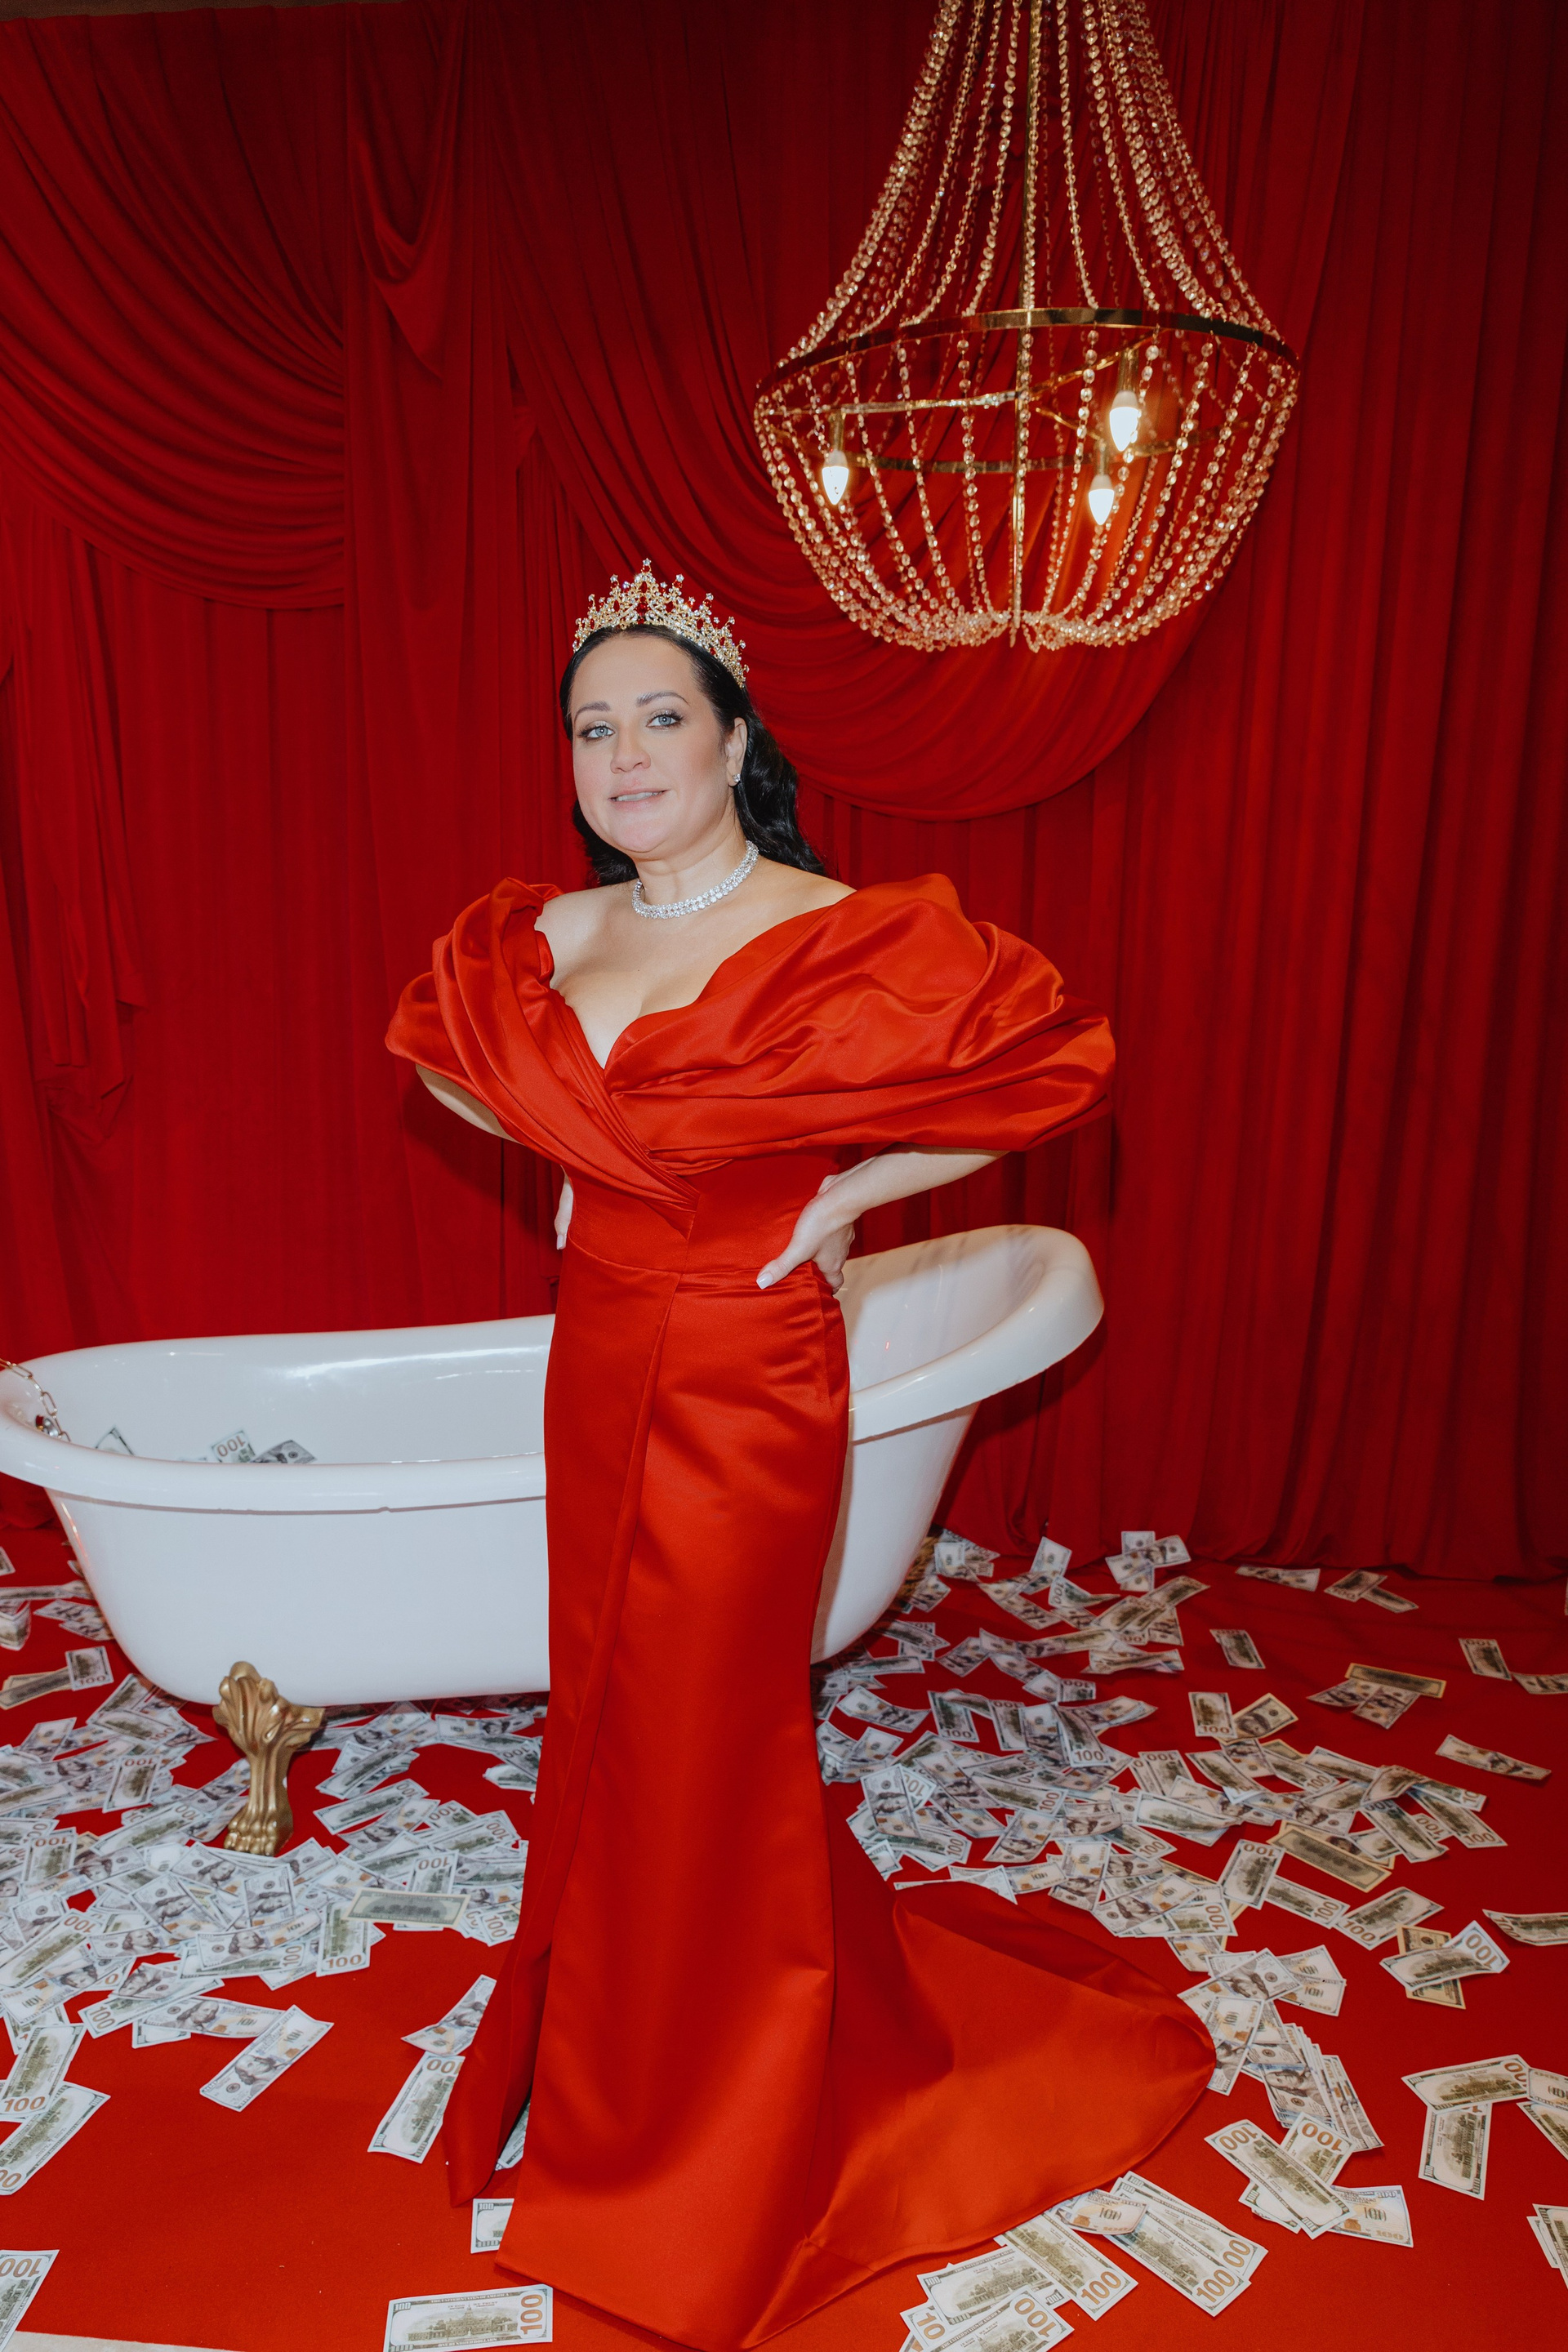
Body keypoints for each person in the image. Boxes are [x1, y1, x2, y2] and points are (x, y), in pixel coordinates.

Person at [385, 565, 1210, 2350]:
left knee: (713, 1722)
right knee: (608, 1710)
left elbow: (1059, 1063)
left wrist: (847, 1200)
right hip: (599, 1356)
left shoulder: (830, 925)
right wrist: (565, 1155)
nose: (625, 755)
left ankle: (719, 2116)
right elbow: (439, 1052)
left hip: (753, 1370)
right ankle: (618, 2043)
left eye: (659, 718)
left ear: (735, 740)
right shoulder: (553, 934)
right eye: (593, 728)